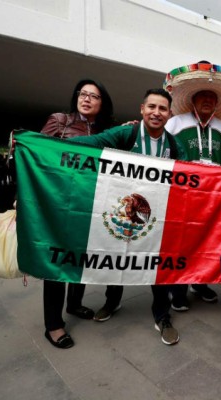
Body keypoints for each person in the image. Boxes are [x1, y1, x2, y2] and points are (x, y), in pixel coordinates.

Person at [69, 88, 180, 346]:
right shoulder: (127, 133)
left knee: (158, 265)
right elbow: (93, 144)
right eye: (151, 107)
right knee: (117, 256)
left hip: (156, 218)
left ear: (169, 114)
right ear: (142, 109)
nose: (156, 112)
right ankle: (112, 301)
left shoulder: (174, 144)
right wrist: (47, 140)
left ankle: (163, 316)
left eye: (162, 109)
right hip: (121, 210)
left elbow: (190, 174)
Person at [163, 61, 221, 311]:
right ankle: (178, 290)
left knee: (208, 242)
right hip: (182, 196)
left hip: (213, 199)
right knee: (182, 243)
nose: (208, 101)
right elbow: (159, 145)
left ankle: (200, 283)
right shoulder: (176, 123)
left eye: (212, 98)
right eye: (203, 97)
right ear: (193, 100)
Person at [40, 78, 114, 349]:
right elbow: (40, 157)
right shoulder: (59, 121)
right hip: (60, 204)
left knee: (82, 258)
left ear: (102, 102)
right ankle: (53, 325)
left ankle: (74, 305)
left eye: (94, 96)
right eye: (83, 94)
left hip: (91, 204)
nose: (87, 99)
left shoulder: (107, 131)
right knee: (57, 262)